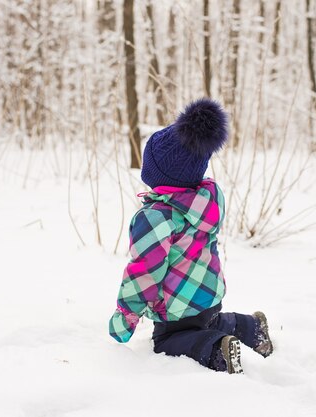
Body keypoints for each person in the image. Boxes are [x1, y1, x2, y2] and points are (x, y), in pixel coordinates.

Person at [108, 98, 273, 374]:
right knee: (209, 320)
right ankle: (251, 327)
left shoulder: (155, 218)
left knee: (167, 342)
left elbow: (143, 273)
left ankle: (216, 349)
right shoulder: (208, 199)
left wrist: (126, 316)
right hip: (209, 297)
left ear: (161, 175)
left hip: (175, 310)